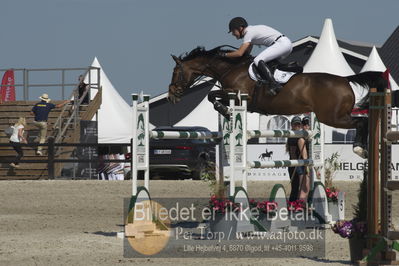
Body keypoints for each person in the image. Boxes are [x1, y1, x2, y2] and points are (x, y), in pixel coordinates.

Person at [222, 17, 293, 95]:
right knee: (270, 64)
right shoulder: (251, 32)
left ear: (240, 28)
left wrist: (224, 55)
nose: (233, 34)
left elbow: (239, 53)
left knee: (257, 60)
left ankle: (274, 84)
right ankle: (290, 69)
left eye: (233, 31)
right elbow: (247, 53)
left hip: (281, 44)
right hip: (285, 44)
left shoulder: (248, 33)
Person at [287, 116, 309, 202]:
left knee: (295, 188)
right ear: (292, 125)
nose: (297, 126)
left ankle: (293, 204)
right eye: (295, 124)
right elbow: (304, 154)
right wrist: (306, 166)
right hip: (299, 165)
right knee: (303, 187)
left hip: (293, 164)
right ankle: (299, 205)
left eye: (298, 124)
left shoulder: (291, 136)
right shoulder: (299, 137)